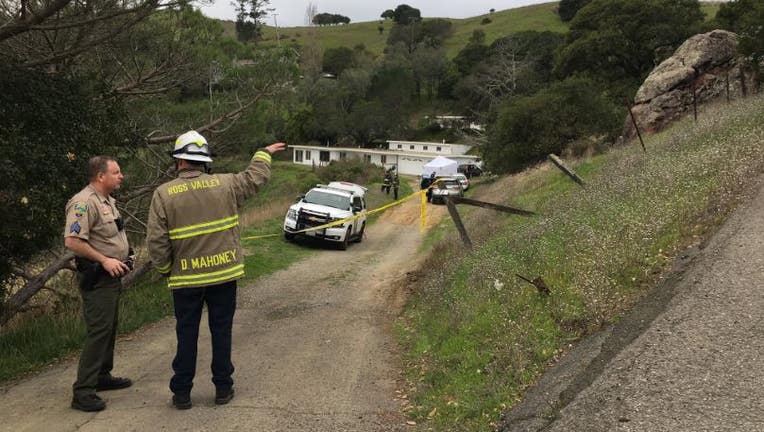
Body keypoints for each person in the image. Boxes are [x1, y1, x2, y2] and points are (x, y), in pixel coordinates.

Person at [146, 131, 286, 410]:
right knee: (221, 332)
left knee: (186, 334)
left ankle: (182, 393)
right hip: (223, 276)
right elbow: (255, 178)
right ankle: (223, 388)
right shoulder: (227, 184)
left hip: (185, 280)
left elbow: (157, 240)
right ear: (204, 161)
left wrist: (165, 269)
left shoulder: (163, 194)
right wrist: (263, 153)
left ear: (180, 162)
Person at [64, 156, 133, 412]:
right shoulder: (83, 203)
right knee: (99, 331)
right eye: (116, 172)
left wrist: (127, 255)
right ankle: (83, 391)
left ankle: (102, 376)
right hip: (97, 278)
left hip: (112, 277)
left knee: (109, 327)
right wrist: (104, 260)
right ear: (100, 176)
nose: (121, 176)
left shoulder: (107, 202)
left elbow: (111, 235)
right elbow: (72, 241)